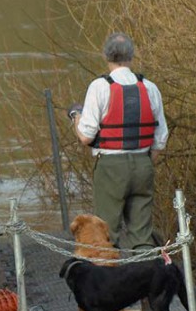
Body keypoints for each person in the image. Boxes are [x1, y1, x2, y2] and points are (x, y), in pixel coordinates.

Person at [69, 32, 169, 251]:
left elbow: (86, 136)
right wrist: (144, 159)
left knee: (106, 233)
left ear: (106, 56)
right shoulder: (150, 88)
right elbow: (161, 138)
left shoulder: (99, 87)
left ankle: (110, 280)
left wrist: (76, 115)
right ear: (131, 56)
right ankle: (145, 279)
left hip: (111, 168)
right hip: (143, 163)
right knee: (142, 235)